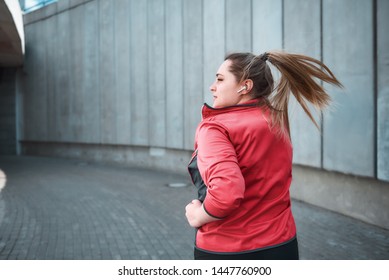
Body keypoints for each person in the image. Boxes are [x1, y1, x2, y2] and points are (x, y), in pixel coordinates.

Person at [185, 51, 342, 260]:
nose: (212, 86)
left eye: (220, 79)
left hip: (227, 249)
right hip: (282, 245)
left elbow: (226, 194)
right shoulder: (275, 119)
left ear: (245, 86)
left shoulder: (215, 128)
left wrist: (198, 215)